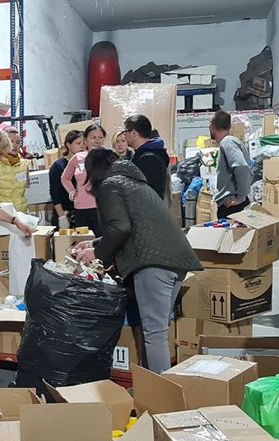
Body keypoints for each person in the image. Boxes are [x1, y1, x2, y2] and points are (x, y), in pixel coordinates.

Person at [72, 149, 202, 373]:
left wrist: (97, 253)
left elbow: (121, 228)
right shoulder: (134, 182)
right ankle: (153, 383)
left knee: (154, 333)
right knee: (159, 330)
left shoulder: (109, 185)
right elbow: (134, 226)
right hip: (175, 258)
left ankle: (158, 389)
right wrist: (95, 244)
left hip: (152, 263)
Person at [61, 124, 108, 234]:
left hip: (102, 207)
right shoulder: (78, 158)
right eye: (93, 137)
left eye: (100, 137)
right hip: (81, 208)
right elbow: (65, 177)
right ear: (86, 140)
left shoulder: (109, 158)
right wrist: (71, 192)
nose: (97, 141)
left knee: (101, 240)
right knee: (82, 240)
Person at [208, 111, 254, 219]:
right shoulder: (231, 141)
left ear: (211, 127)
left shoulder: (227, 142)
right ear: (229, 126)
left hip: (232, 205)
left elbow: (241, 167)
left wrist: (240, 197)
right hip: (233, 203)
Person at [123, 115, 170, 199]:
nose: (124, 136)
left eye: (126, 132)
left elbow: (140, 192)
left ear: (134, 133)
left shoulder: (148, 159)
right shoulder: (143, 154)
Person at [0, 126, 30, 212]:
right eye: (11, 141)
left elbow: (26, 188)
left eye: (18, 142)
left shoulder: (24, 165)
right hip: (2, 214)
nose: (15, 145)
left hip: (22, 212)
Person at [49, 130, 81, 228]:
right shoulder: (58, 166)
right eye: (78, 143)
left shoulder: (85, 164)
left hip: (82, 212)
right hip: (65, 213)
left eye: (84, 143)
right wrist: (62, 216)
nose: (82, 146)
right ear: (68, 145)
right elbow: (55, 194)